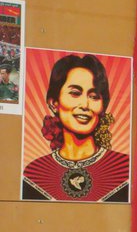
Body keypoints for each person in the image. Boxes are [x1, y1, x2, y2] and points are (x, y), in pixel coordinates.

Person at [22, 54, 129, 202]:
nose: (85, 105)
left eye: (94, 96)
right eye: (75, 93)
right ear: (54, 103)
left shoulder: (125, 168)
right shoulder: (34, 173)